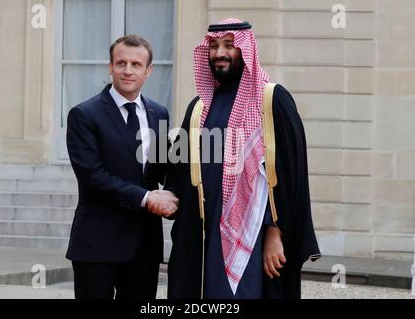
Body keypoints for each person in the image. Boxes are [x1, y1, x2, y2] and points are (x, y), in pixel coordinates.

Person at [166, 18, 320, 299]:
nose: (219, 53)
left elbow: (291, 175)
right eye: (213, 46)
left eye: (229, 45)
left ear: (245, 49)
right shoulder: (200, 106)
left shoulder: (272, 100)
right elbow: (179, 167)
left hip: (255, 236)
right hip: (206, 231)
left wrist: (276, 233)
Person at [66, 34, 178, 299]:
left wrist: (182, 192)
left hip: (144, 246)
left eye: (136, 65)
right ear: (110, 66)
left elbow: (163, 169)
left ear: (148, 70)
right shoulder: (84, 115)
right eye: (121, 63)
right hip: (97, 245)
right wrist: (148, 198)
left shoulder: (158, 113)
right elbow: (93, 176)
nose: (128, 71)